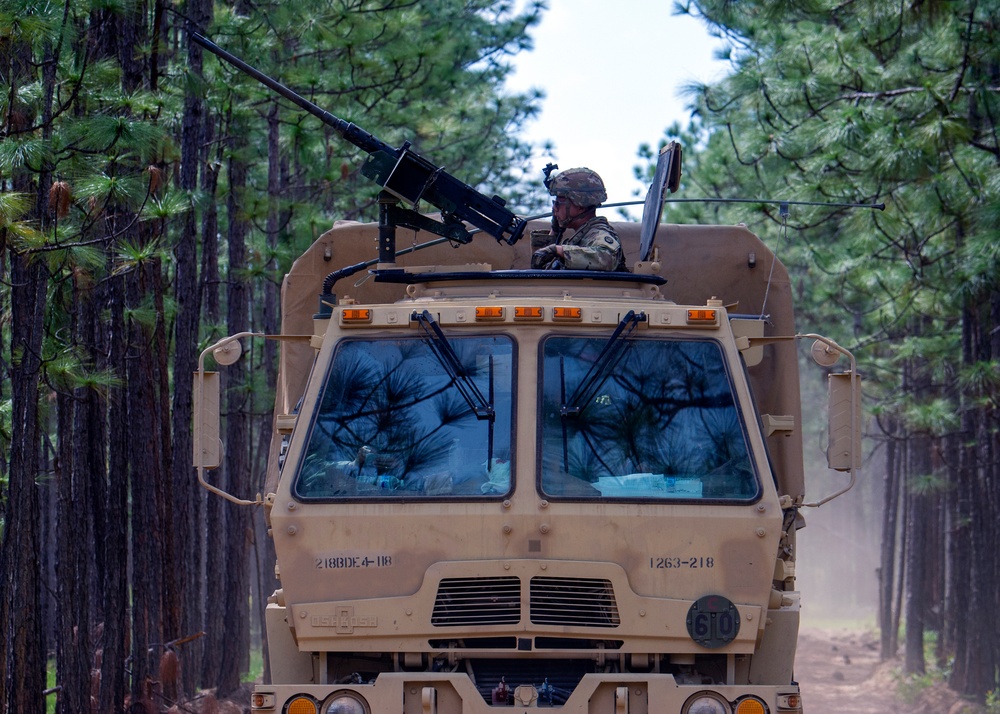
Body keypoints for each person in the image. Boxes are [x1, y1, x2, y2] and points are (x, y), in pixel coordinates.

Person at [531, 167, 626, 271]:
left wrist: (558, 250)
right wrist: (555, 230)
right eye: (554, 203)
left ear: (580, 205)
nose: (554, 208)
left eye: (559, 203)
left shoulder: (598, 233)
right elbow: (541, 268)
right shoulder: (581, 236)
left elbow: (607, 258)